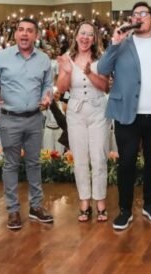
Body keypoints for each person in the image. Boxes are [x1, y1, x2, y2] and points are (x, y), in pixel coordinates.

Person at [97, 1, 151, 231]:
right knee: (127, 162)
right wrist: (114, 43)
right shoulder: (122, 44)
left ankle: (149, 205)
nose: (139, 17)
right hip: (127, 114)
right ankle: (125, 210)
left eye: (143, 13)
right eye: (135, 14)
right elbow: (102, 69)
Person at [0, 18, 54, 231]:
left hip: (34, 119)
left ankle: (36, 207)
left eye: (29, 31)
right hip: (10, 119)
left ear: (36, 36)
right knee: (11, 164)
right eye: (21, 30)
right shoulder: (1, 57)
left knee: (34, 164)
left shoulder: (44, 59)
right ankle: (13, 210)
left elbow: (48, 85)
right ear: (15, 34)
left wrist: (47, 96)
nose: (24, 34)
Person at [56, 22, 111, 223]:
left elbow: (105, 86)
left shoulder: (101, 59)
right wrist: (66, 71)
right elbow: (61, 88)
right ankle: (84, 202)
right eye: (82, 33)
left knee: (99, 157)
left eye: (89, 34)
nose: (85, 37)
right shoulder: (67, 58)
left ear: (94, 39)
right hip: (76, 112)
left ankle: (101, 202)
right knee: (80, 158)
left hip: (98, 111)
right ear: (76, 36)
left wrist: (89, 73)